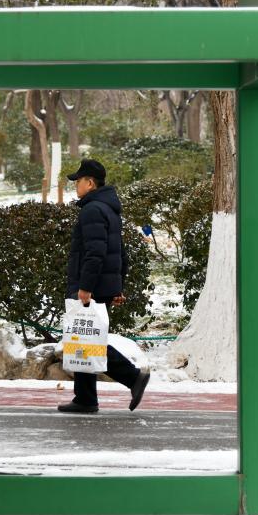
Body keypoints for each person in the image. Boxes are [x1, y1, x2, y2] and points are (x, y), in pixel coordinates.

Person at [58, 158, 150, 414]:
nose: (76, 185)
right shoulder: (109, 209)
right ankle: (85, 398)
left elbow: (96, 253)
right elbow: (119, 252)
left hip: (92, 286)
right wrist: (117, 286)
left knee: (88, 340)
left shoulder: (92, 210)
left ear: (90, 183)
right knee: (84, 337)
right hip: (103, 285)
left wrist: (85, 287)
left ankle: (133, 377)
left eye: (78, 181)